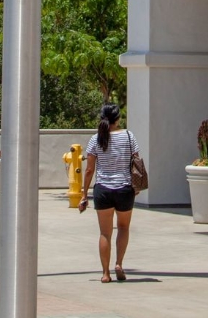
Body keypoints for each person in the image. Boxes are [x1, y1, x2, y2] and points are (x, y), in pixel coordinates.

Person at [77, 102, 140, 282]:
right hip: (124, 189)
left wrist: (83, 195)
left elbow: (89, 170)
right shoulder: (129, 136)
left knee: (105, 233)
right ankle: (119, 263)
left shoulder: (95, 139)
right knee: (123, 227)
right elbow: (136, 161)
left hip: (103, 190)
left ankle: (105, 274)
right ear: (118, 119)